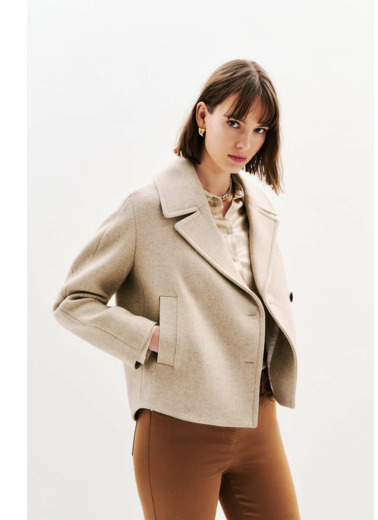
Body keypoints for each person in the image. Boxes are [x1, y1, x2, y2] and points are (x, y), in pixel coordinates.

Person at [53, 59, 301, 519]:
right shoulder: (147, 209)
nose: (245, 142)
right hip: (178, 424)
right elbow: (73, 301)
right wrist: (153, 338)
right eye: (234, 122)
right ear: (203, 116)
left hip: (258, 419)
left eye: (260, 129)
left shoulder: (260, 209)